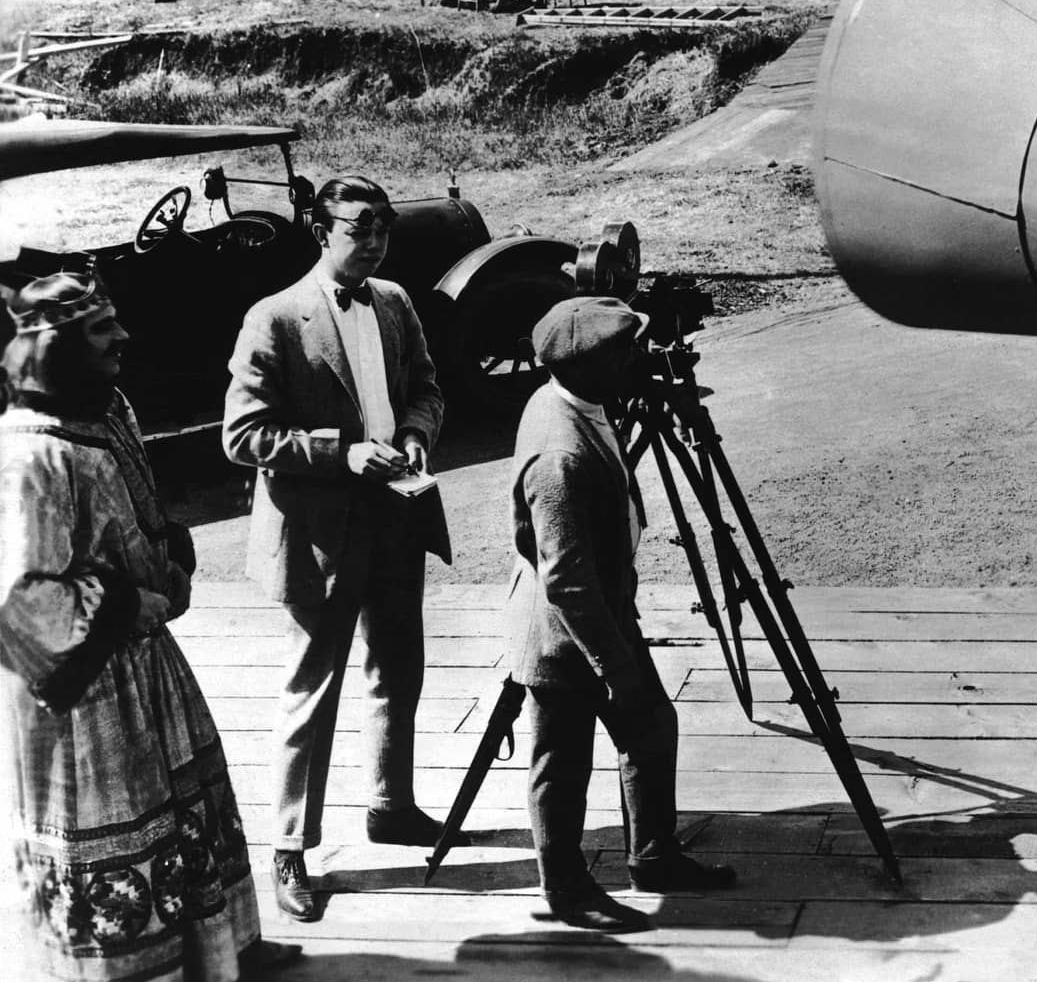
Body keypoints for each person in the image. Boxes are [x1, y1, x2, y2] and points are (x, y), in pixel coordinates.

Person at [1, 272, 302, 982]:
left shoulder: (105, 409)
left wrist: (167, 549)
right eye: (102, 329)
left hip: (146, 668)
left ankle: (217, 957)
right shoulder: (29, 454)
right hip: (82, 695)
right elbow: (18, 598)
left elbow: (133, 507)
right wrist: (124, 605)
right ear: (55, 347)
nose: (124, 338)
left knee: (184, 809)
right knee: (112, 831)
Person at [222, 176, 456, 922]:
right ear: (321, 231)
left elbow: (426, 385)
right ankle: (290, 845)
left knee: (398, 664)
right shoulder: (275, 317)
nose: (376, 239)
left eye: (384, 225)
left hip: (397, 516)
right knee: (312, 687)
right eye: (359, 226)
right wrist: (341, 453)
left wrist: (416, 433)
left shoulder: (394, 300)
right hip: (320, 532)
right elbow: (242, 435)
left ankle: (390, 805)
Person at [505, 297, 737, 932]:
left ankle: (654, 855)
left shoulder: (578, 402)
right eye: (627, 353)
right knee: (563, 760)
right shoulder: (560, 451)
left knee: (651, 729)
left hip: (602, 612)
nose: (641, 361)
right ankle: (566, 888)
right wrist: (612, 662)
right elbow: (566, 577)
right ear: (588, 366)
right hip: (568, 632)